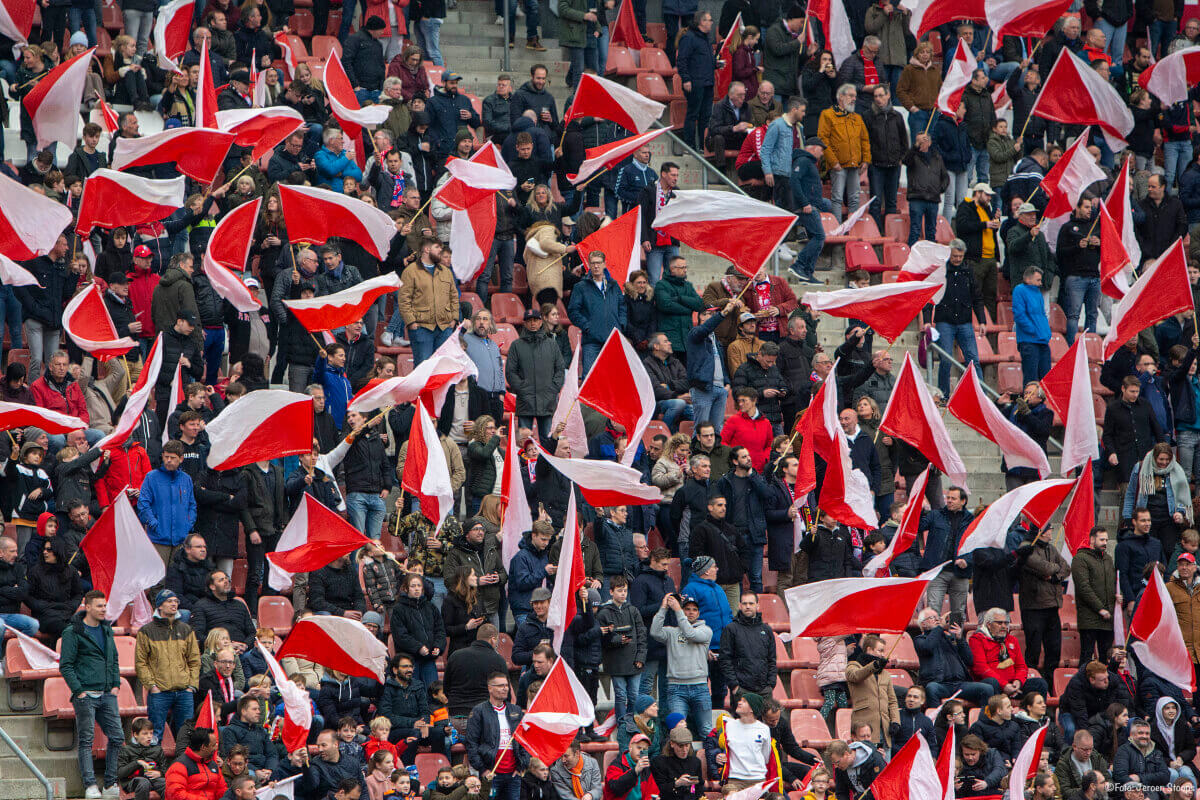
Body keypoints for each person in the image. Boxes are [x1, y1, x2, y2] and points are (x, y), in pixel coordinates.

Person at [60, 590, 124, 799]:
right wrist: (79, 692)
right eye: (99, 606)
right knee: (86, 740)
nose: (104, 609)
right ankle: (89, 785)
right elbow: (66, 665)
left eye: (105, 605)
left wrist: (115, 684)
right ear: (87, 607)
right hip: (85, 695)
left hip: (107, 694)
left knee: (117, 737)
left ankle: (110, 783)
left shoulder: (107, 630)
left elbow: (113, 659)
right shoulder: (73, 631)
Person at [135, 589, 200, 744]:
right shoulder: (146, 631)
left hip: (184, 691)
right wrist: (152, 686)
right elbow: (141, 662)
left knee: (186, 735)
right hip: (159, 692)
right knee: (154, 735)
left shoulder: (186, 629)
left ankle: (181, 767)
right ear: (159, 606)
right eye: (169, 601)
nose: (174, 604)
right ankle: (152, 767)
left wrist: (191, 686)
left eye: (176, 601)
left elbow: (194, 660)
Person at [651, 594, 712, 739]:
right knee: (678, 731)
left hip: (700, 687)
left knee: (706, 730)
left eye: (694, 609)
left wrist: (677, 610)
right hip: (676, 688)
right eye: (687, 609)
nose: (690, 612)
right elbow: (654, 631)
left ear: (699, 613)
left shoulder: (705, 630)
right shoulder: (672, 632)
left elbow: (690, 634)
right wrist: (664, 608)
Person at [929, 240, 985, 396]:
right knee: (946, 359)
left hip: (965, 321)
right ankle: (943, 395)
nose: (958, 259)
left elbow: (977, 298)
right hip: (944, 321)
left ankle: (981, 395)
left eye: (960, 256)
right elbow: (929, 297)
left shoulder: (969, 271)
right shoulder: (940, 271)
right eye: (955, 256)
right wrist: (928, 321)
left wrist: (982, 321)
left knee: (973, 359)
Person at [913, 608, 995, 707]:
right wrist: (940, 628)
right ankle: (935, 721)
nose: (937, 620)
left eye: (938, 618)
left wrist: (960, 639)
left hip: (960, 684)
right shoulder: (920, 640)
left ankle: (985, 719)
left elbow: (969, 660)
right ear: (923, 624)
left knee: (988, 688)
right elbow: (928, 648)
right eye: (932, 618)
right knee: (931, 688)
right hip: (940, 684)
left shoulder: (949, 639)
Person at [465, 672, 527, 800]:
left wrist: (522, 766)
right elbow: (471, 743)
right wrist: (482, 769)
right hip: (490, 774)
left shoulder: (515, 710)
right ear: (490, 688)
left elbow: (525, 740)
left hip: (513, 774)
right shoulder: (479, 711)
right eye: (500, 686)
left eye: (506, 685)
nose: (505, 688)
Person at [568, 251, 626, 373]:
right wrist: (587, 327)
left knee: (613, 377)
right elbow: (573, 311)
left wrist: (621, 325)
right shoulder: (580, 287)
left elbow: (622, 306)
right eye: (593, 263)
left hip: (612, 339)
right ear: (588, 265)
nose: (596, 266)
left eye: (599, 263)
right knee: (589, 378)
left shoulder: (614, 285)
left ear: (604, 264)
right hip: (591, 341)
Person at [818, 84, 870, 222]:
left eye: (855, 96)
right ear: (841, 97)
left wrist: (866, 160)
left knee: (854, 198)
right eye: (851, 96)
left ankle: (851, 229)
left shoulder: (857, 118)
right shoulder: (827, 115)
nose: (854, 99)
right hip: (838, 165)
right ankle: (837, 228)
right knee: (837, 198)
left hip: (855, 165)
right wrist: (833, 162)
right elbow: (823, 140)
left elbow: (865, 140)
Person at [1073, 527, 1119, 664]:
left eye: (1106, 540)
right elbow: (1083, 587)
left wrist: (1118, 595)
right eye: (1102, 539)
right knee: (1087, 656)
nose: (1105, 543)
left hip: (1107, 619)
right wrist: (1100, 608)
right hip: (1089, 618)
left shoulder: (1108, 559)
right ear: (1092, 540)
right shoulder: (1080, 559)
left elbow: (1113, 582)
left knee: (1106, 658)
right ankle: (1084, 684)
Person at [845, 634, 899, 750]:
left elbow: (892, 701)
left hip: (884, 730)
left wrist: (895, 721)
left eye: (883, 651)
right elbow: (856, 676)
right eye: (880, 651)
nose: (883, 655)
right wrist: (874, 666)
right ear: (869, 649)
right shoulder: (852, 666)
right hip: (863, 728)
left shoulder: (885, 674)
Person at [718, 592, 775, 699]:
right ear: (740, 605)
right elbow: (725, 659)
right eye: (744, 604)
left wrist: (771, 685)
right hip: (741, 690)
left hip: (764, 690)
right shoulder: (731, 629)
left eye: (751, 603)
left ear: (757, 605)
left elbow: (772, 660)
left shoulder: (766, 630)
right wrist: (734, 686)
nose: (747, 606)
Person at [1012, 265, 1052, 383]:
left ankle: (1042, 402)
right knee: (1031, 379)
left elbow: (1042, 315)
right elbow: (1019, 314)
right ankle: (1029, 401)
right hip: (1029, 341)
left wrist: (1046, 332)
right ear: (1028, 279)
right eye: (1038, 280)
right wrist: (1032, 331)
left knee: (1046, 379)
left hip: (1042, 340)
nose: (1040, 283)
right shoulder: (1019, 290)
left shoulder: (1038, 293)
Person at [165, 727, 225, 800]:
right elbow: (176, 794)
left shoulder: (214, 765)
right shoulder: (179, 766)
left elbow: (222, 790)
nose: (216, 748)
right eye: (213, 745)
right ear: (203, 747)